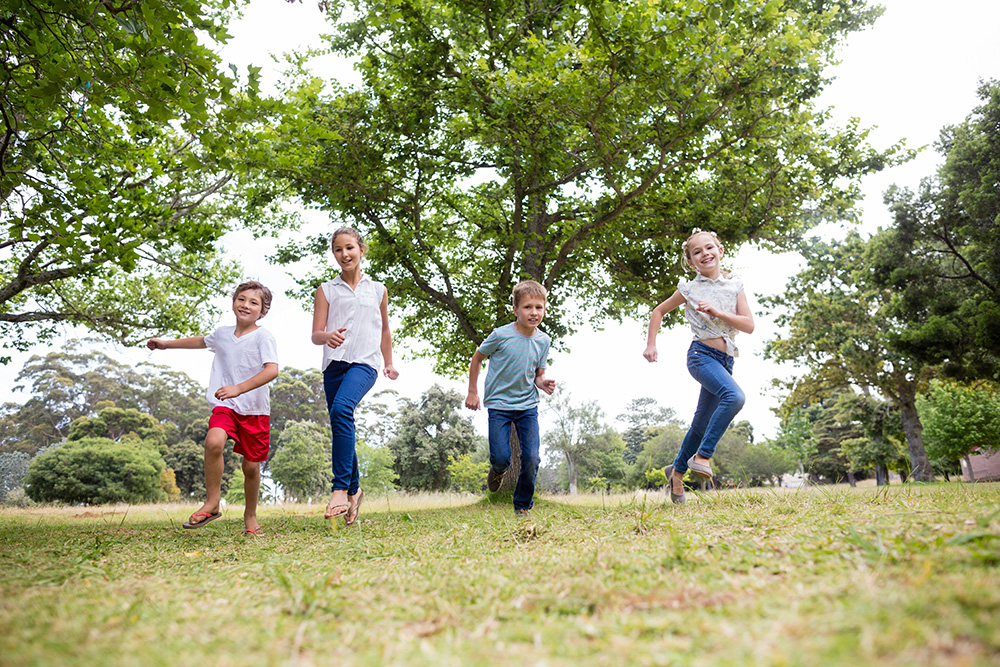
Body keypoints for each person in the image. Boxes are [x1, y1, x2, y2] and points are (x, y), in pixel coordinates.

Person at [148, 280, 279, 534]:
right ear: (233, 302)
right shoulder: (222, 334)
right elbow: (201, 341)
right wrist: (167, 344)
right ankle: (213, 502)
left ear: (263, 311)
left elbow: (272, 370)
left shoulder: (264, 337)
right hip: (225, 405)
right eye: (241, 299)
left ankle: (250, 516)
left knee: (251, 467)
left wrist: (239, 388)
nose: (246, 305)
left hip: (255, 410)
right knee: (213, 442)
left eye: (254, 302)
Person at [643, 229, 755, 504]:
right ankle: (703, 456)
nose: (705, 253)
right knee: (735, 397)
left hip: (725, 360)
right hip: (701, 355)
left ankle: (677, 473)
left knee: (700, 423)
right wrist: (651, 344)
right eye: (697, 252)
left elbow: (749, 325)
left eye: (709, 248)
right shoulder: (689, 288)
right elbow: (658, 311)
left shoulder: (735, 286)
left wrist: (718, 312)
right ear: (691, 262)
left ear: (720, 250)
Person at [312, 227, 398, 525]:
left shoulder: (378, 290)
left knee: (341, 410)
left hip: (365, 363)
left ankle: (339, 488)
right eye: (338, 249)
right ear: (333, 254)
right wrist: (327, 336)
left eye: (349, 247)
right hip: (333, 365)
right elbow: (315, 334)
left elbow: (384, 329)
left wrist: (388, 362)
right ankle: (355, 492)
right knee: (341, 422)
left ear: (362, 249)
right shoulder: (326, 290)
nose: (344, 254)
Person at [465, 280, 556, 515]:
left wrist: (542, 383)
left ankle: (522, 505)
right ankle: (497, 470)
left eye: (539, 307)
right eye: (527, 307)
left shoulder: (544, 341)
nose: (533, 312)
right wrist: (473, 392)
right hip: (499, 405)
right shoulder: (500, 335)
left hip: (528, 405)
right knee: (502, 458)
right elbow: (477, 358)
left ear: (545, 309)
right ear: (515, 310)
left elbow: (538, 375)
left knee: (532, 458)